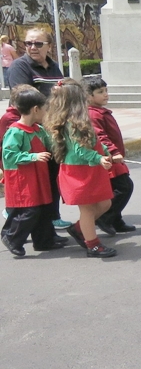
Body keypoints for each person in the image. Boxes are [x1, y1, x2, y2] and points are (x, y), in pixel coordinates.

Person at [5, 27, 72, 230]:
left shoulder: (53, 67)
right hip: (30, 130)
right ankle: (17, 219)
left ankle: (51, 217)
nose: (32, 47)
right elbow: (25, 99)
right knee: (34, 178)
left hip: (51, 127)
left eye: (38, 43)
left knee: (52, 173)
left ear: (49, 46)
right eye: (28, 43)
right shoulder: (19, 66)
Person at [45, 79, 116, 258]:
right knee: (88, 210)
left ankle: (79, 228)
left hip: (88, 169)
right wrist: (99, 158)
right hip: (78, 172)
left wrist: (106, 152)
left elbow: (94, 142)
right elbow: (80, 150)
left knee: (105, 203)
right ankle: (93, 245)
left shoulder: (78, 121)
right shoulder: (73, 123)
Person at [1, 88, 67, 256]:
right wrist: (33, 156)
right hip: (23, 179)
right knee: (29, 210)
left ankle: (44, 241)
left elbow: (51, 144)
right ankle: (11, 237)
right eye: (45, 109)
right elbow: (9, 155)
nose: (46, 112)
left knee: (44, 208)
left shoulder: (38, 129)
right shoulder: (15, 131)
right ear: (36, 109)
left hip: (38, 177)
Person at [83, 75, 135, 236]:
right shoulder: (93, 114)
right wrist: (113, 152)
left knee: (115, 190)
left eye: (106, 90)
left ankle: (116, 221)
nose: (105, 94)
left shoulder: (100, 112)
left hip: (113, 160)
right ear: (89, 96)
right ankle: (105, 217)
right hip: (108, 160)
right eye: (100, 92)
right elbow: (100, 137)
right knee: (124, 187)